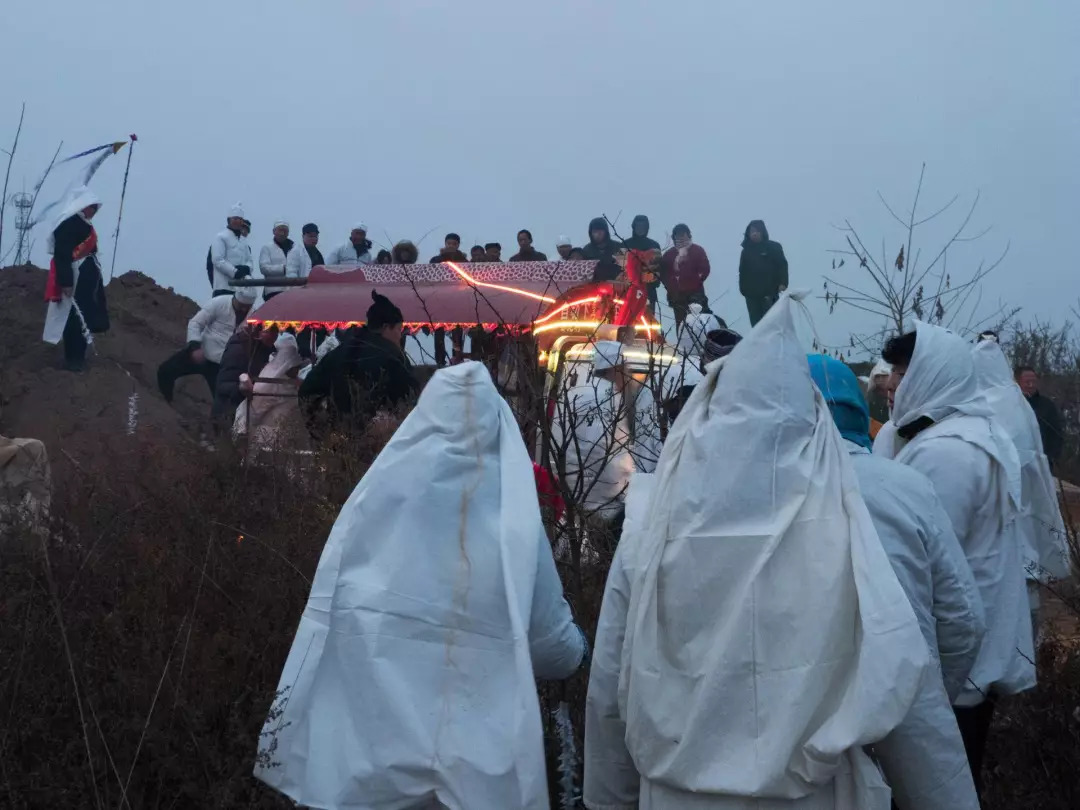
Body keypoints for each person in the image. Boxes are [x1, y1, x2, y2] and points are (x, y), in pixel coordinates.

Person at [585, 293, 929, 810]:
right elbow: (899, 669)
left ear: (706, 416)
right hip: (809, 793)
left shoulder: (652, 522)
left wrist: (609, 799)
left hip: (676, 792)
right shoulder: (843, 522)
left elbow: (612, 676)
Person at [257, 362, 587, 810]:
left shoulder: (371, 512)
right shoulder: (515, 531)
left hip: (365, 772)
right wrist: (580, 648)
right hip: (468, 779)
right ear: (498, 430)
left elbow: (329, 619)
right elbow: (554, 650)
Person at [808, 354, 984, 810]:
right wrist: (925, 694)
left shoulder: (746, 496)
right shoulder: (905, 486)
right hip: (903, 727)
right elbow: (963, 620)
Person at [875, 324, 1035, 794]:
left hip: (951, 672)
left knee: (936, 791)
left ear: (933, 374)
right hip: (968, 666)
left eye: (903, 372)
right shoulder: (964, 436)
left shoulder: (946, 455)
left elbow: (918, 565)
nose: (891, 384)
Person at [974, 340, 1070, 642]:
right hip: (1029, 500)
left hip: (1004, 504)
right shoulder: (1016, 401)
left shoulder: (987, 404)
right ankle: (1033, 650)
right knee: (1027, 578)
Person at [299, 291, 420, 438]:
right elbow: (413, 401)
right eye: (399, 330)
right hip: (380, 444)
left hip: (339, 443)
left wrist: (322, 433)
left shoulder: (340, 351)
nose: (400, 336)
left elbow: (306, 392)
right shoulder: (393, 356)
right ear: (386, 327)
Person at [42, 187, 110, 372]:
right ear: (83, 205)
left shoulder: (84, 224)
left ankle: (79, 356)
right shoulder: (68, 224)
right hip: (75, 278)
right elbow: (62, 255)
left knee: (85, 316)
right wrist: (66, 282)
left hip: (87, 280)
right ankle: (73, 358)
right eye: (92, 207)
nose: (94, 212)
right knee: (73, 318)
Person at [158, 288, 256, 404]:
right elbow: (196, 323)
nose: (244, 309)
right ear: (235, 298)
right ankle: (166, 403)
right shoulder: (219, 303)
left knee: (223, 400)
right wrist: (194, 346)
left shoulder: (253, 315)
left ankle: (222, 419)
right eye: (241, 305)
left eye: (247, 306)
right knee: (165, 371)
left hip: (222, 364)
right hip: (202, 354)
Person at [233, 332, 306, 451]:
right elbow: (253, 409)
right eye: (294, 367)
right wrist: (242, 431)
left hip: (286, 437)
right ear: (286, 365)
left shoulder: (291, 383)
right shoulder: (269, 382)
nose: (297, 370)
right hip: (265, 440)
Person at [212, 323, 278, 432]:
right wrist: (240, 388)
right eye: (271, 335)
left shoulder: (262, 349)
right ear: (260, 332)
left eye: (276, 335)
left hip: (243, 412)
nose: (273, 340)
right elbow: (223, 384)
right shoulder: (238, 350)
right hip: (228, 411)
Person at [739, 219, 788, 327]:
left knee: (771, 326)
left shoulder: (773, 247)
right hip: (752, 297)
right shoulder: (746, 251)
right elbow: (742, 272)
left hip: (770, 294)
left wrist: (783, 283)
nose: (754, 234)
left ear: (763, 232)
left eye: (757, 231)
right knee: (757, 327)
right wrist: (744, 291)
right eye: (752, 231)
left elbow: (782, 266)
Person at [661, 223, 711, 329]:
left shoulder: (698, 251)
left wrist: (696, 281)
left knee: (699, 324)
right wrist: (671, 285)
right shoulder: (669, 255)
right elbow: (663, 273)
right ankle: (683, 344)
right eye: (677, 236)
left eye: (683, 235)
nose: (681, 239)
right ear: (674, 238)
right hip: (676, 296)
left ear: (688, 235)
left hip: (696, 295)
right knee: (681, 325)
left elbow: (705, 269)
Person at [1016, 366, 1063, 469]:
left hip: (1041, 464)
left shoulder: (1047, 405)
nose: (1031, 385)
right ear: (1018, 382)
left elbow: (1056, 433)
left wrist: (1051, 457)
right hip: (1016, 463)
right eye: (1027, 382)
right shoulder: (1010, 404)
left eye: (1033, 381)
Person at [209, 203, 254, 296]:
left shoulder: (243, 241)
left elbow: (249, 260)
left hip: (241, 289)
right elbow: (217, 260)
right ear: (229, 220)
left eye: (240, 219)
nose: (238, 221)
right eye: (235, 219)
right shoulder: (221, 237)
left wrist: (247, 269)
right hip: (223, 287)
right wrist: (234, 272)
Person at [621, 214, 663, 306]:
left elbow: (659, 268)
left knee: (648, 319)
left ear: (647, 228)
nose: (640, 229)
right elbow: (619, 267)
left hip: (649, 291)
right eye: (638, 226)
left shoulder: (654, 245)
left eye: (643, 226)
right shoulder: (625, 244)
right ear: (634, 227)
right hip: (628, 290)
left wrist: (655, 282)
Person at [258, 220, 293, 301]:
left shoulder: (294, 247)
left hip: (291, 290)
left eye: (285, 230)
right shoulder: (267, 247)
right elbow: (264, 268)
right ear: (274, 231)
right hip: (273, 290)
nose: (282, 233)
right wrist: (283, 269)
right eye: (280, 230)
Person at [866, 358, 892, 430]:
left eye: (884, 376)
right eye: (877, 376)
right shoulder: (872, 397)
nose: (880, 379)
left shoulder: (896, 396)